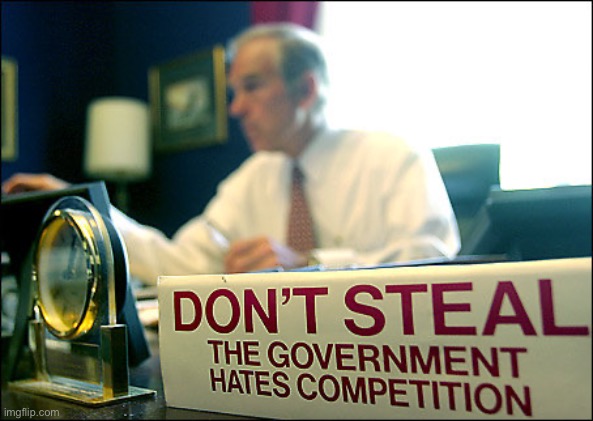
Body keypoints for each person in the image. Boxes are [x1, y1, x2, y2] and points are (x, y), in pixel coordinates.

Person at [2, 23, 460, 286]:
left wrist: (311, 265)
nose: (236, 108)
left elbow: (435, 258)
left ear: (305, 89)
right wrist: (80, 203)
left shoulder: (392, 156)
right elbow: (177, 264)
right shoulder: (252, 177)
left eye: (252, 87)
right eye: (233, 92)